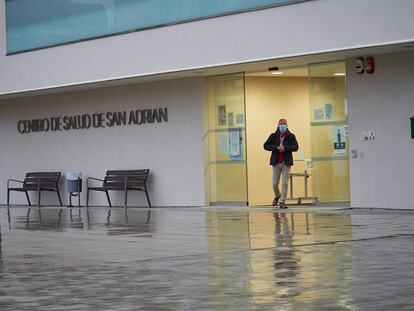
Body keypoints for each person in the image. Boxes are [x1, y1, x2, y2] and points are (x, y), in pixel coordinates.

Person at [263, 118, 299, 209]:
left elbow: (295, 147)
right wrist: (277, 147)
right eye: (281, 124)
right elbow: (265, 146)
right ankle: (277, 195)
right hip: (276, 162)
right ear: (278, 125)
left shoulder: (291, 136)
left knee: (285, 183)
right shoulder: (273, 135)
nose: (282, 125)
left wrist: (285, 148)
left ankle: (282, 202)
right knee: (275, 183)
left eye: (284, 124)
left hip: (286, 163)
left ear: (287, 125)